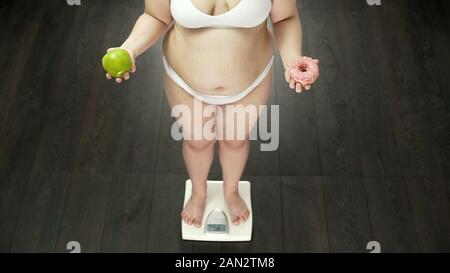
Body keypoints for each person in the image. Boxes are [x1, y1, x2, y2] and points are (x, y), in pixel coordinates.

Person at [105, 0, 318, 228]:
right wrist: (130, 48)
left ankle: (231, 191)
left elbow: (285, 18)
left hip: (251, 82)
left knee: (235, 141)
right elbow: (156, 17)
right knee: (197, 142)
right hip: (184, 82)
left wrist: (292, 59)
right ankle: (198, 193)